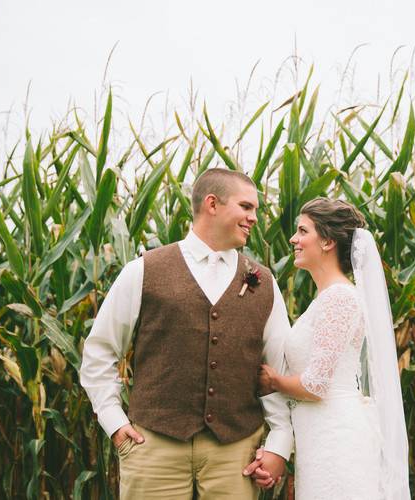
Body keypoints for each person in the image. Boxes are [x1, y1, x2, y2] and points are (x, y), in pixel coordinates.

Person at [80, 168, 292, 499]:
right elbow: (100, 351)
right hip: (154, 447)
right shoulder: (144, 270)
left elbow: (278, 370)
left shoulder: (263, 283)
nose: (254, 218)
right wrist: (115, 422)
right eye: (246, 207)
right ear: (212, 204)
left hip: (236, 452)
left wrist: (279, 442)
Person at [248, 197, 410, 499]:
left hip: (336, 437)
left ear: (327, 242)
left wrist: (272, 381)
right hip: (320, 433)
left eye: (303, 231)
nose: (294, 239)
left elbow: (316, 384)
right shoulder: (327, 298)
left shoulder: (339, 298)